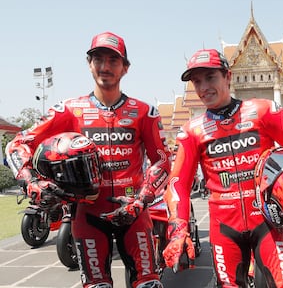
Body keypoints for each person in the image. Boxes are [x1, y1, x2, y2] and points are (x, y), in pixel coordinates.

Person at [161, 48, 283, 287]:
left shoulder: (264, 111)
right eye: (197, 81)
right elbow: (178, 185)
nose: (204, 87)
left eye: (210, 77)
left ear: (228, 76)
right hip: (224, 229)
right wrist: (178, 228)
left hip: (267, 222)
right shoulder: (191, 131)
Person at [6, 31, 171, 288]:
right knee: (96, 286)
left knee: (149, 284)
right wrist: (31, 182)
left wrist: (141, 200)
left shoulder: (144, 112)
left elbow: (162, 161)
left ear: (125, 68)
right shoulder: (69, 109)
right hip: (87, 215)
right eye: (98, 59)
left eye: (113, 60)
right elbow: (17, 144)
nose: (105, 67)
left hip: (135, 214)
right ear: (89, 63)